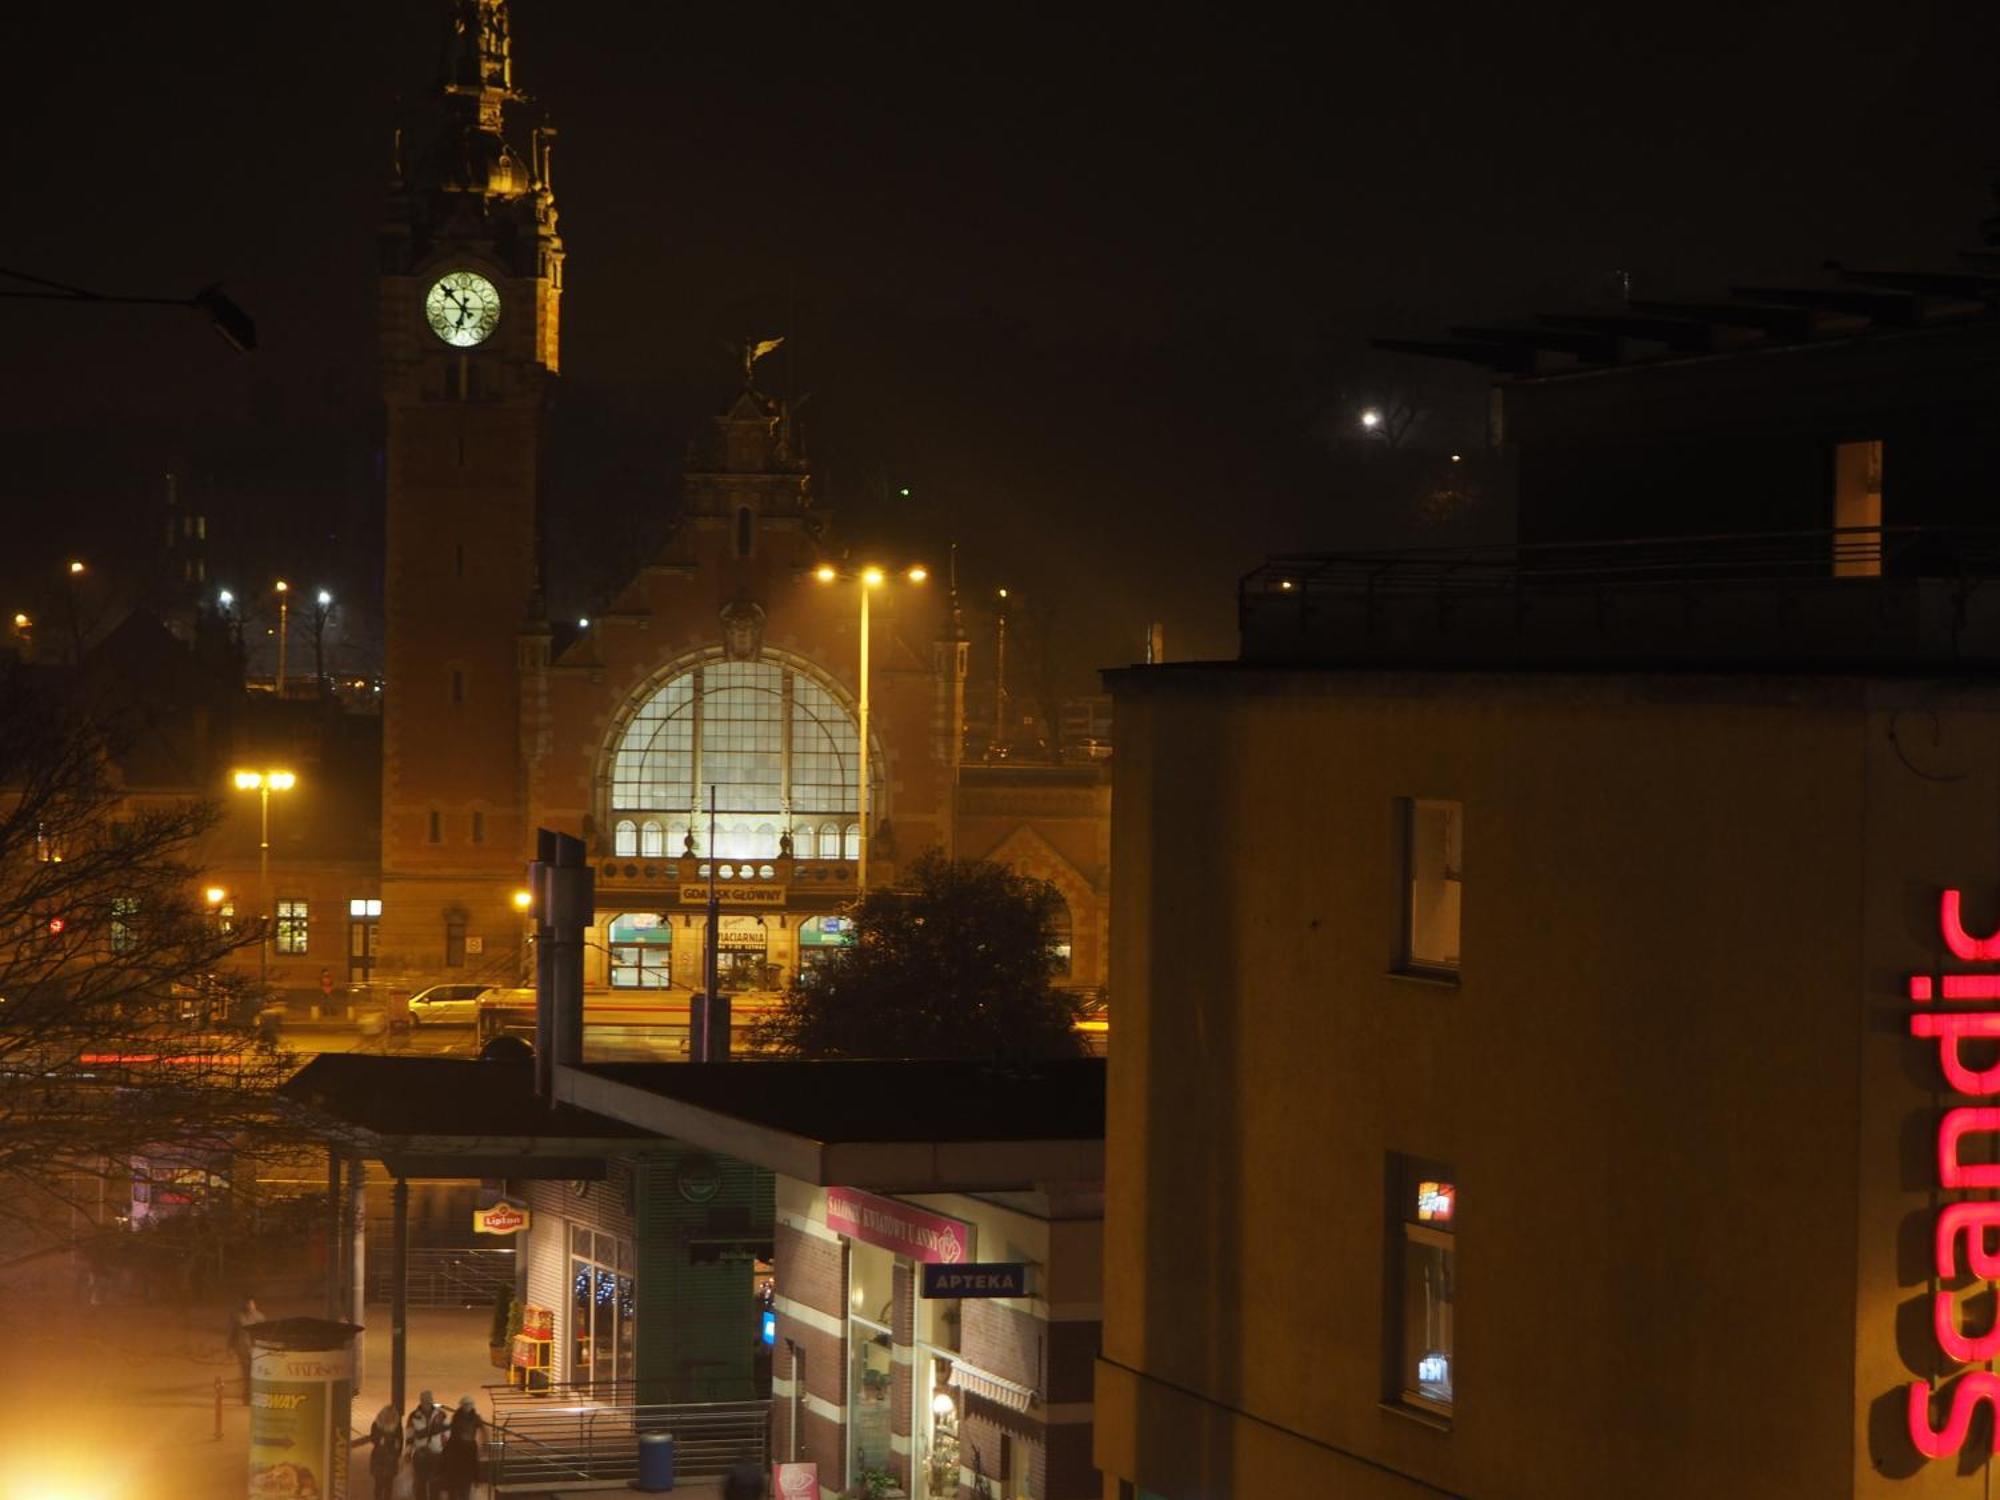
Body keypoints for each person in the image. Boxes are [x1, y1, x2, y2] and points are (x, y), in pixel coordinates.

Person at [439, 1395, 485, 1500]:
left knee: (466, 1483)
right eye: (465, 1405)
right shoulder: (457, 1417)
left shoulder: (475, 1418)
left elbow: (482, 1430)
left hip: (468, 1452)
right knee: (454, 1482)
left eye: (469, 1405)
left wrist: (483, 1445)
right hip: (457, 1451)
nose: (467, 1407)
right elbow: (452, 1430)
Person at [406, 1390, 449, 1500]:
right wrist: (408, 1452)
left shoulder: (441, 1415)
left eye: (428, 1401)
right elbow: (409, 1436)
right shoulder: (414, 1416)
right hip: (420, 1454)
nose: (426, 1404)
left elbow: (447, 1435)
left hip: (436, 1453)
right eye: (424, 1401)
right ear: (421, 1401)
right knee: (420, 1484)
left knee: (435, 1484)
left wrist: (446, 1451)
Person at [227, 1296, 265, 1403]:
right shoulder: (238, 1317)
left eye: (251, 1304)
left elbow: (264, 1334)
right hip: (242, 1349)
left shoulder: (260, 1317)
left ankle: (254, 1394)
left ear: (254, 1304)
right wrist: (229, 1348)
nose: (249, 1306)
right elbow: (232, 1333)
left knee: (255, 1373)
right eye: (247, 1304)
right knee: (246, 1373)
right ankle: (247, 1397)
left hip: (256, 1350)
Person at [366, 1405, 404, 1500]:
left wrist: (397, 1452)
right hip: (379, 1457)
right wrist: (380, 1440)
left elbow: (400, 1440)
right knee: (379, 1484)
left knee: (388, 1484)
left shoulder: (397, 1426)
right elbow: (373, 1438)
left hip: (390, 1457)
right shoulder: (376, 1424)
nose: (389, 1417)